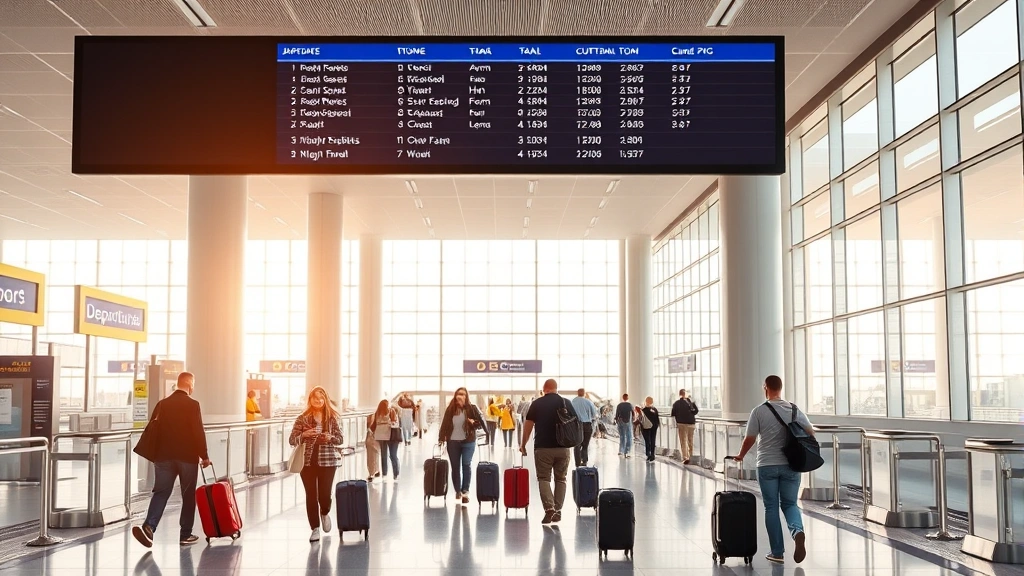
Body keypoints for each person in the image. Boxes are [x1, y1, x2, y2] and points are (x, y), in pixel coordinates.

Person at [733, 375, 813, 565]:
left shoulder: (759, 411)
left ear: (765, 387)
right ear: (781, 388)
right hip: (792, 465)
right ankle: (797, 531)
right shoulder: (794, 409)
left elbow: (750, 438)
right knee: (790, 504)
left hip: (767, 464)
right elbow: (810, 431)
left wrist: (741, 455)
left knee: (771, 507)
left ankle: (777, 552)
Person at [132, 372, 211, 548]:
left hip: (163, 457)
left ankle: (149, 527)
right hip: (187, 457)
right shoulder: (192, 404)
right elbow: (198, 431)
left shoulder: (162, 404)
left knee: (161, 493)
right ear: (189, 384)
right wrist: (204, 456)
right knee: (188, 495)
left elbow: (153, 428)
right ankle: (185, 534)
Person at [288, 386, 344, 542]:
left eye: (321, 398)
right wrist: (304, 434)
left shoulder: (332, 418)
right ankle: (315, 528)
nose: (318, 401)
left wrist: (330, 438)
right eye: (315, 398)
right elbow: (292, 439)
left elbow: (341, 439)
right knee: (311, 495)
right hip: (307, 461)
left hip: (328, 460)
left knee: (325, 495)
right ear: (310, 400)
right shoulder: (302, 418)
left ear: (325, 400)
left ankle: (325, 512)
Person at [520, 379, 578, 525]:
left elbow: (528, 426)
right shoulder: (566, 403)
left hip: (543, 448)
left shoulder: (537, 403)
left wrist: (523, 444)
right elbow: (575, 423)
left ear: (544, 389)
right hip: (563, 448)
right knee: (561, 479)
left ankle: (549, 508)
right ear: (556, 389)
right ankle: (557, 511)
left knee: (544, 478)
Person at [437, 387, 484, 504]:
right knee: (455, 467)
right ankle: (457, 490)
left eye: (463, 394)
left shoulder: (472, 409)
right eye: (458, 394)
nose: (460, 396)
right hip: (453, 442)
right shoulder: (451, 409)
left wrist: (473, 422)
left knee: (466, 465)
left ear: (466, 396)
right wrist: (441, 438)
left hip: (468, 441)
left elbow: (480, 424)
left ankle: (465, 492)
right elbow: (445, 424)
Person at [370, 399, 401, 481]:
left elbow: (373, 425)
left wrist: (370, 433)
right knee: (393, 455)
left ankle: (385, 474)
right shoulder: (391, 411)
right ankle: (396, 474)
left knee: (384, 456)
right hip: (391, 436)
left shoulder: (377, 413)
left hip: (381, 436)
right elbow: (394, 422)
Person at [569, 388, 597, 467]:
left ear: (577, 393)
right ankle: (584, 461)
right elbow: (594, 414)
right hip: (587, 425)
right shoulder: (588, 402)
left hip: (576, 425)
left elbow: (569, 414)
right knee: (585, 444)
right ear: (584, 393)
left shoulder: (572, 402)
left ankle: (577, 463)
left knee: (577, 445)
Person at [671, 388, 699, 464]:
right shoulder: (689, 402)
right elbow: (696, 411)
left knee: (684, 441)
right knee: (690, 441)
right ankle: (690, 456)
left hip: (682, 424)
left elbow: (673, 414)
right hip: (689, 423)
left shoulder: (676, 403)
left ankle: (686, 457)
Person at [639, 397, 660, 463]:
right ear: (652, 402)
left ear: (646, 401)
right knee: (653, 439)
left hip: (646, 428)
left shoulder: (643, 410)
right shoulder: (655, 409)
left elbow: (641, 420)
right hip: (654, 426)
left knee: (647, 440)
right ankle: (653, 454)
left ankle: (648, 454)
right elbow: (657, 419)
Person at [614, 394, 634, 458]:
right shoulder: (630, 405)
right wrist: (633, 420)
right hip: (628, 422)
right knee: (629, 436)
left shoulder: (619, 405)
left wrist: (616, 420)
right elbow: (633, 414)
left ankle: (621, 451)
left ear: (622, 398)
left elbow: (617, 415)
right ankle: (627, 452)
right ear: (628, 398)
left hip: (621, 421)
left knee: (622, 436)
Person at [365, 411, 381, 482]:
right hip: (375, 441)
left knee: (371, 458)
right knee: (375, 457)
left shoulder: (372, 419)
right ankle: (375, 471)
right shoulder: (377, 419)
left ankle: (372, 473)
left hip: (371, 442)